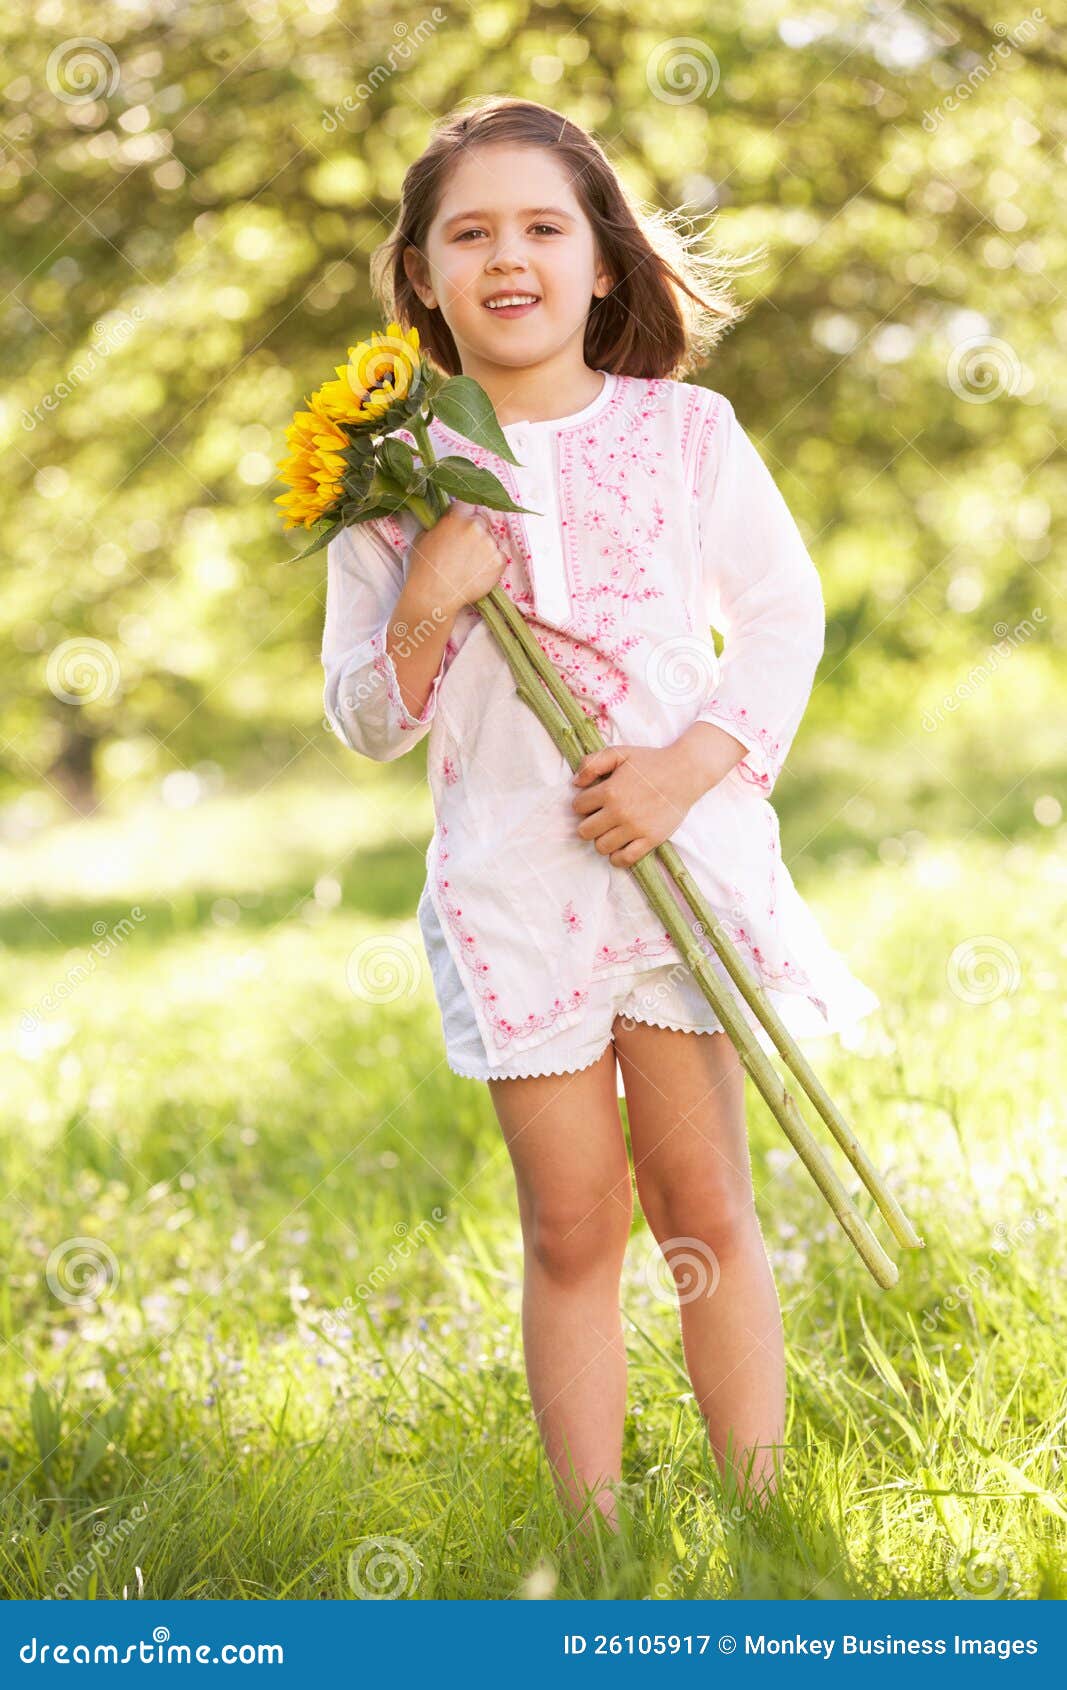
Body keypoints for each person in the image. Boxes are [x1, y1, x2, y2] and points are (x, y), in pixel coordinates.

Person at [320, 95, 881, 1531]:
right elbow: (369, 720)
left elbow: (779, 617)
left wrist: (689, 761)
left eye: (542, 227)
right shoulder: (389, 491)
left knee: (703, 1206)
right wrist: (427, 604)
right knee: (574, 1221)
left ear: (605, 263)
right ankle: (599, 1537)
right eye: (470, 233)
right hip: (513, 887)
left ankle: (757, 1519)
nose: (508, 257)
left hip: (668, 873)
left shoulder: (684, 433)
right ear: (423, 278)